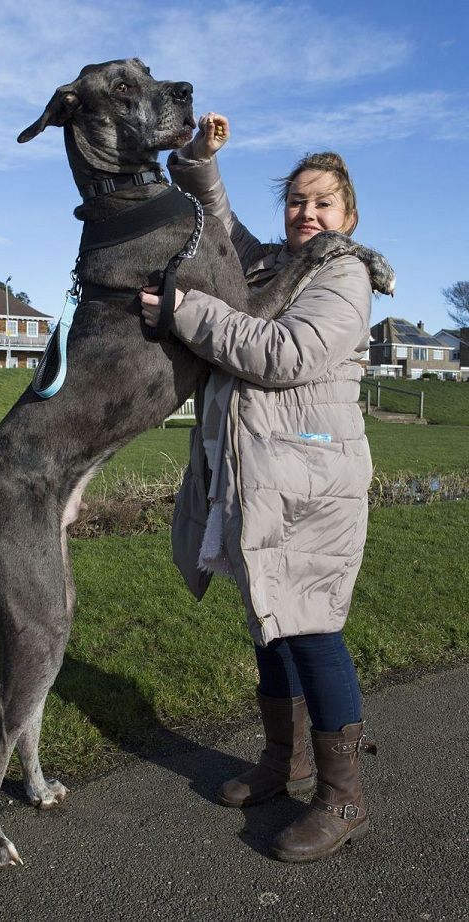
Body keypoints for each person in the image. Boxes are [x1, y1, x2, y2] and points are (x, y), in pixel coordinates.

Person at [139, 113, 385, 863]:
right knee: (269, 621)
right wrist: (201, 162)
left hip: (314, 485)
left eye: (322, 203)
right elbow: (224, 235)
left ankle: (344, 800)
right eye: (297, 201)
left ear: (348, 217)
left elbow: (284, 353)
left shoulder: (344, 276)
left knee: (313, 631)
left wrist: (187, 312)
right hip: (258, 483)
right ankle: (287, 762)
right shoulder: (273, 268)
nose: (306, 213)